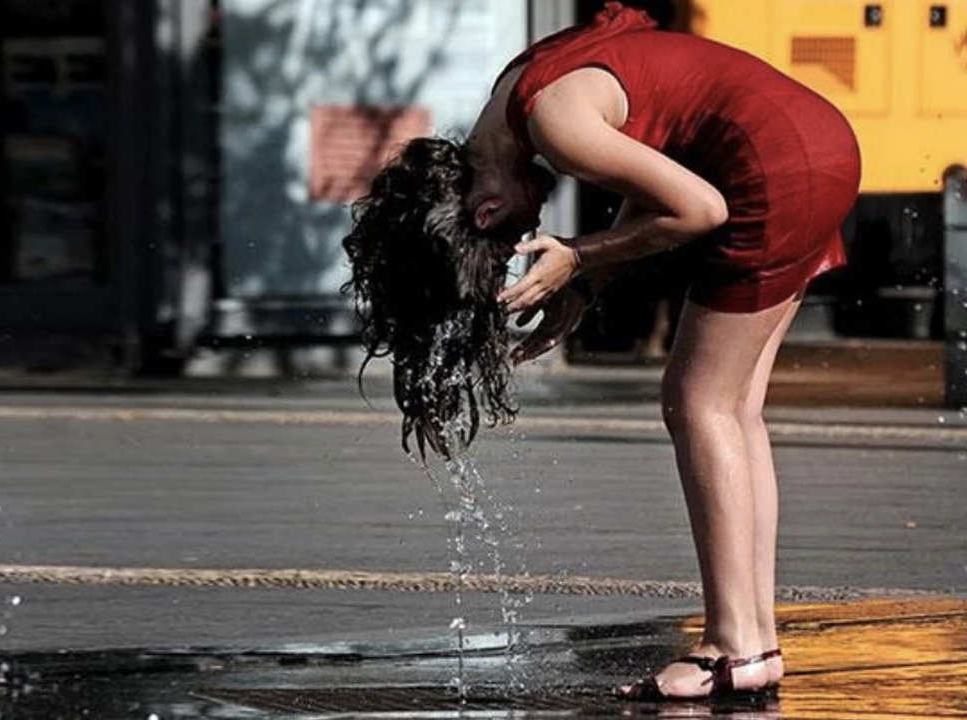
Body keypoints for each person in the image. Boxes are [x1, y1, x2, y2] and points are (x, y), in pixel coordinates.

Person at [342, 1, 861, 701]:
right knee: (734, 409)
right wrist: (582, 290)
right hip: (815, 139)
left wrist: (579, 259)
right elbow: (654, 177)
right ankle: (755, 641)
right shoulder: (520, 92)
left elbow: (698, 209)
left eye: (512, 240)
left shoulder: (553, 126)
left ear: (486, 213)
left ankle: (730, 646)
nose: (533, 227)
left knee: (697, 402)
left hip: (773, 168)